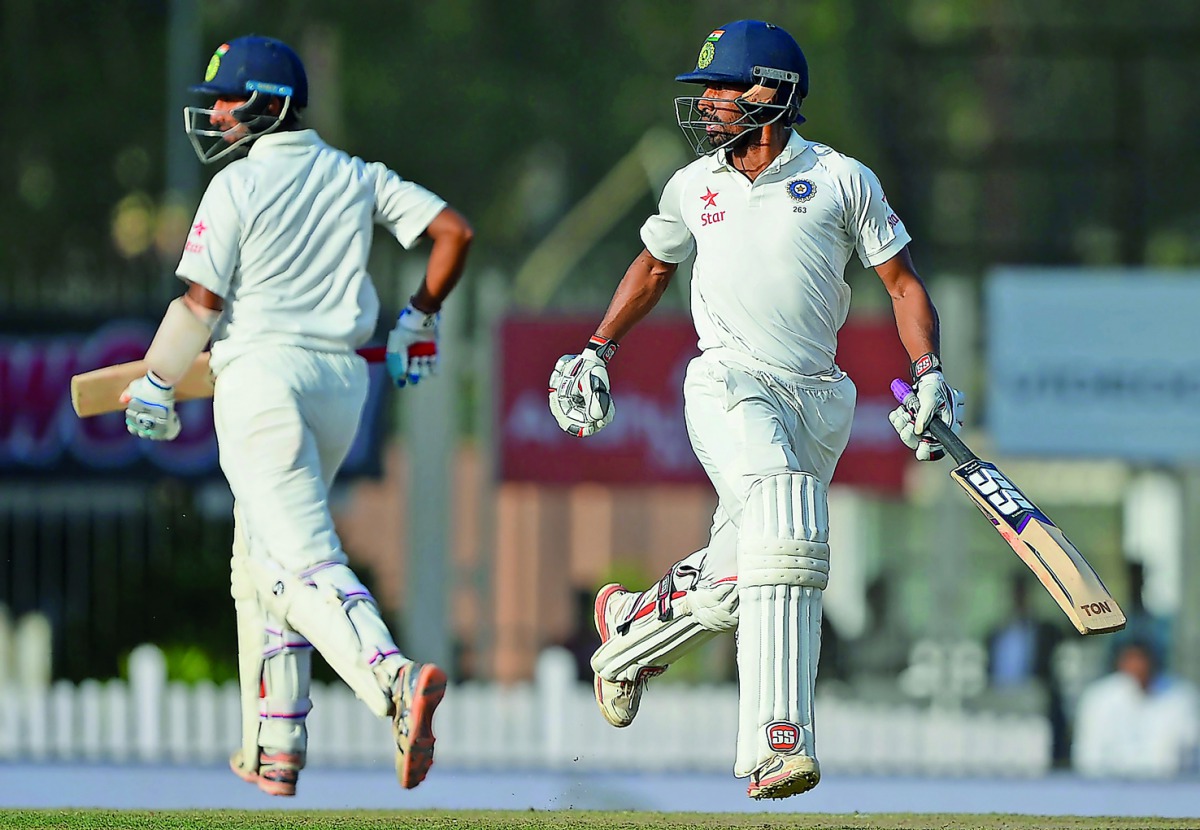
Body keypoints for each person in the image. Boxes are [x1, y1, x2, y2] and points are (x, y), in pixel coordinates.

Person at [547, 19, 962, 800]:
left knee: (746, 576)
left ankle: (628, 633)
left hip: (817, 396)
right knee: (787, 527)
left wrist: (929, 369)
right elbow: (653, 264)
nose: (707, 106)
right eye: (704, 93)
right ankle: (778, 743)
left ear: (771, 92)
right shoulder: (691, 185)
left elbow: (902, 284)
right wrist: (598, 347)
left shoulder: (843, 179)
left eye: (722, 90)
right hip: (730, 382)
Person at [120, 35, 473, 796]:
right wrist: (418, 319)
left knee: (300, 563)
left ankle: (391, 680)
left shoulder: (237, 187)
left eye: (225, 98)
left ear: (268, 104)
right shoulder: (356, 175)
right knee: (262, 560)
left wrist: (155, 380)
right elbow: (453, 232)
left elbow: (199, 305)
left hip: (259, 384)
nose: (214, 112)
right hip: (341, 387)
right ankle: (275, 745)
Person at [1072, 639, 1200, 777]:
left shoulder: (1182, 697)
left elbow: (1186, 754)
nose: (1138, 667)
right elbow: (1088, 755)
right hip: (1109, 788)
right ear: (1120, 663)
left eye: (1142, 660)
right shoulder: (1098, 698)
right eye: (1131, 660)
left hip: (1168, 788)